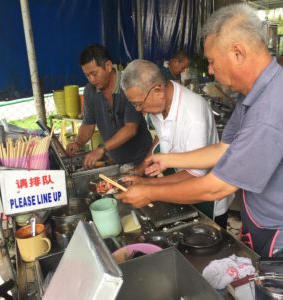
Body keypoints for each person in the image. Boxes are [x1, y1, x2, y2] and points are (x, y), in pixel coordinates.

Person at [116, 4, 283, 258]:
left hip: (276, 230)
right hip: (259, 219)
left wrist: (149, 190)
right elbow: (223, 149)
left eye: (213, 61)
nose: (211, 70)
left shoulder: (270, 109)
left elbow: (217, 187)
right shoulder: (253, 96)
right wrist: (168, 159)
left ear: (238, 52)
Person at [120, 59, 233, 229]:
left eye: (138, 104)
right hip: (175, 185)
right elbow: (162, 135)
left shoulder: (194, 115)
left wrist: (147, 186)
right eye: (134, 104)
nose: (138, 110)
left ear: (158, 91)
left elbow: (195, 174)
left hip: (206, 199)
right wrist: (141, 168)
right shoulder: (157, 107)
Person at [66, 44, 152, 169]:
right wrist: (78, 143)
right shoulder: (90, 91)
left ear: (107, 66)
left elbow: (131, 128)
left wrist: (101, 149)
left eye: (94, 73)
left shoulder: (129, 85)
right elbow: (88, 124)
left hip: (143, 159)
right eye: (87, 75)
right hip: (117, 161)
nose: (91, 79)